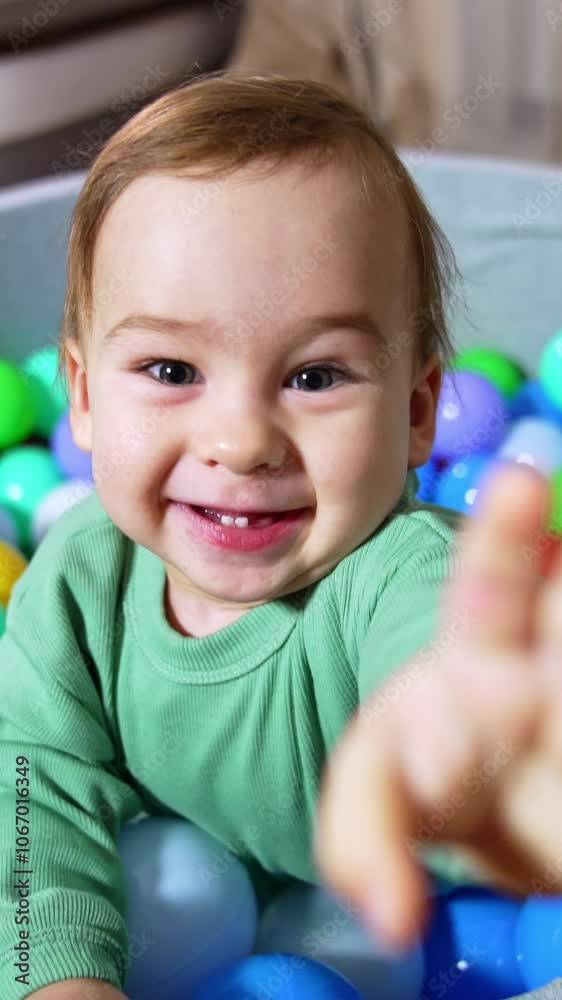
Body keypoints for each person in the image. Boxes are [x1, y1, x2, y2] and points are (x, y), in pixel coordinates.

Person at [1, 72, 561, 1000]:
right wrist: (55, 974)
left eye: (315, 377)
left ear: (418, 414)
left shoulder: (396, 574)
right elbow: (27, 791)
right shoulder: (77, 583)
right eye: (172, 367)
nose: (241, 441)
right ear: (84, 396)